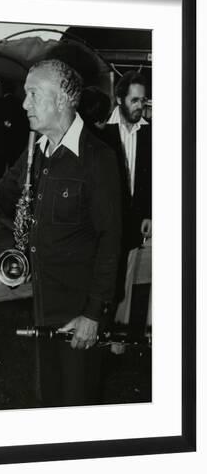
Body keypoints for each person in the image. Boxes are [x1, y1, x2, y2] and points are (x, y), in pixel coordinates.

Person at [0, 59, 122, 407]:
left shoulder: (97, 158)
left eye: (33, 94)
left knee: (78, 404)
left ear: (61, 99)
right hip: (44, 305)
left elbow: (111, 241)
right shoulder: (37, 150)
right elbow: (2, 193)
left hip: (79, 311)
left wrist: (93, 314)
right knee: (49, 397)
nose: (24, 103)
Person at [99, 71, 152, 326]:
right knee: (105, 275)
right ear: (120, 99)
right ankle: (99, 326)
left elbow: (153, 178)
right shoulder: (101, 132)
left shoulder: (150, 134)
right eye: (135, 100)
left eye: (143, 100)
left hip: (133, 220)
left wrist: (149, 214)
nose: (140, 106)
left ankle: (119, 331)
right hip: (105, 220)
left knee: (128, 276)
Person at [0, 80, 30, 179]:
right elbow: (24, 125)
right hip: (15, 143)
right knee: (14, 170)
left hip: (1, 142)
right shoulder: (20, 103)